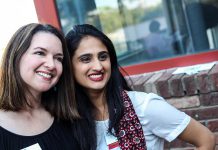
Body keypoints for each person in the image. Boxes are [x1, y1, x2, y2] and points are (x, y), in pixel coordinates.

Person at [65, 24, 215, 150]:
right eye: (86, 59)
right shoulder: (68, 120)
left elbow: (206, 139)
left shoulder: (144, 106)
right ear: (69, 66)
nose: (98, 66)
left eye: (103, 57)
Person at [0, 23, 80, 149]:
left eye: (58, 58)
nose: (51, 65)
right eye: (40, 53)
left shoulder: (68, 115)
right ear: (16, 56)